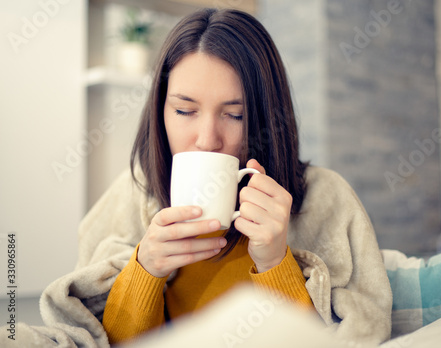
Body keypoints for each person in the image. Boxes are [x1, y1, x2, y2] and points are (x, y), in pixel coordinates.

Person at [81, 8, 391, 346]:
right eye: (185, 111)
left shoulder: (327, 198)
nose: (207, 140)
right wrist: (146, 269)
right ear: (160, 111)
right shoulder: (133, 193)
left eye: (235, 115)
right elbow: (107, 341)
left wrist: (275, 263)